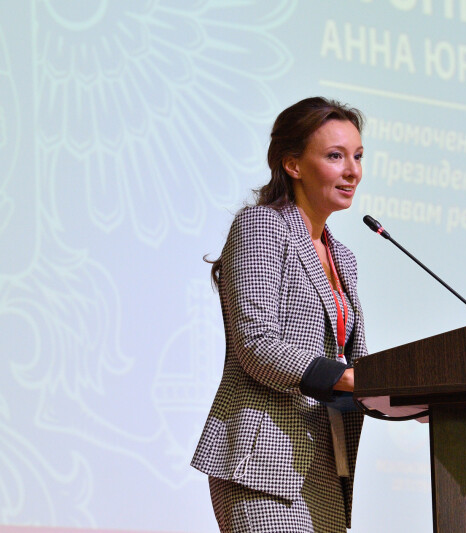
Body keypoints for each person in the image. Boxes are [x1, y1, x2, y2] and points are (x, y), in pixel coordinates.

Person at [192, 97, 368, 532]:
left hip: (324, 461)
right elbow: (257, 345)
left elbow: (356, 360)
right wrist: (353, 379)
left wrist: (407, 389)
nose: (352, 171)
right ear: (292, 165)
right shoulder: (262, 225)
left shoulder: (344, 257)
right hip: (263, 458)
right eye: (336, 156)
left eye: (358, 156)